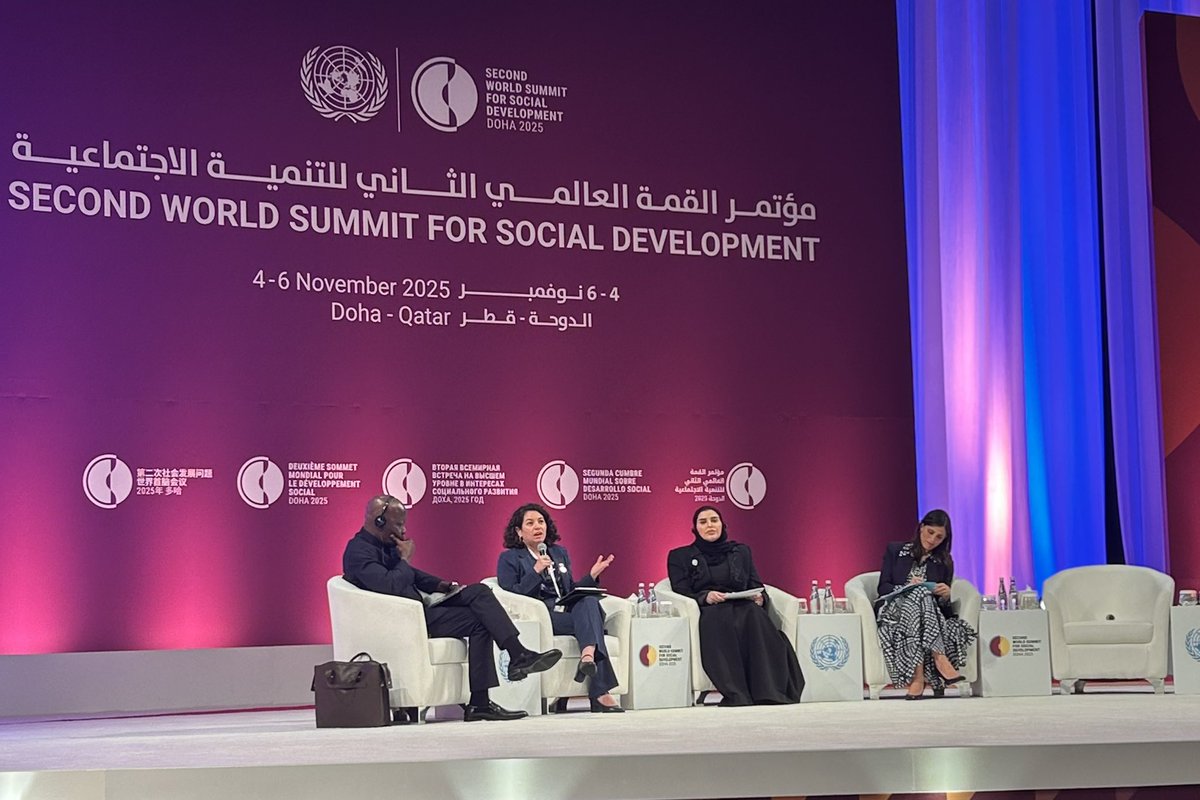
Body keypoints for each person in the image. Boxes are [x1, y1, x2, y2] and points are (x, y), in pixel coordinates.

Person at [342, 494, 562, 722]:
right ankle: (515, 660)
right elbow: (391, 584)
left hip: (421, 613)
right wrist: (405, 559)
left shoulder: (386, 544)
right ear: (379, 521)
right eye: (398, 523)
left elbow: (413, 576)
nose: (403, 529)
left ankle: (485, 696)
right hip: (404, 622)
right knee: (481, 618)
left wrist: (443, 585)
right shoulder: (358, 552)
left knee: (479, 594)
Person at [666, 506, 804, 706]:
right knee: (720, 621)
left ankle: (768, 691)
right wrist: (705, 597)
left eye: (714, 520)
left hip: (743, 605)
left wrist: (760, 597)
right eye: (703, 522)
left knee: (755, 617)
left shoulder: (741, 551)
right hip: (710, 609)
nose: (710, 525)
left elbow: (755, 583)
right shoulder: (680, 556)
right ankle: (737, 693)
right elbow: (680, 589)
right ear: (695, 529)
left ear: (722, 524)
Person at [496, 502, 624, 713]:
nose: (538, 527)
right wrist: (535, 572)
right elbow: (512, 596)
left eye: (541, 522)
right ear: (519, 531)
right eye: (530, 523)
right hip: (543, 617)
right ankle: (600, 691)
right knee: (592, 624)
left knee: (589, 601)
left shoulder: (558, 552)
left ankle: (588, 656)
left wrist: (591, 577)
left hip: (568, 612)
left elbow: (570, 590)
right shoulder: (509, 558)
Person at [874, 508, 977, 699]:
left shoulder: (944, 562)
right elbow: (883, 588)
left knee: (921, 594)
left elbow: (942, 609)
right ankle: (940, 658)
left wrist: (946, 595)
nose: (932, 540)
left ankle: (918, 678)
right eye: (930, 532)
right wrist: (905, 586)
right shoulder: (895, 551)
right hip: (893, 612)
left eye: (939, 537)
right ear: (922, 527)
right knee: (918, 591)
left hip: (927, 616)